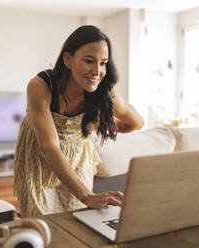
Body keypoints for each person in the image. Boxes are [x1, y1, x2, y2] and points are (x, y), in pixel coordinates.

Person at [14, 25, 144, 217]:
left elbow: (136, 123)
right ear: (68, 59)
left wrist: (102, 125)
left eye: (103, 63)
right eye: (89, 61)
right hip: (38, 161)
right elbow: (49, 146)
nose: (97, 71)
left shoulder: (103, 92)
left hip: (78, 160)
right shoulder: (41, 85)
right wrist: (87, 196)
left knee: (79, 222)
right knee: (42, 225)